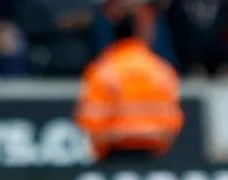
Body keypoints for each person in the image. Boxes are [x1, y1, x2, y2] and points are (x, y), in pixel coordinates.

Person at [74, 11, 183, 160]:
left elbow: (89, 120)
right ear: (141, 33)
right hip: (151, 156)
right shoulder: (161, 70)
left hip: (112, 156)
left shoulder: (103, 70)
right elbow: (172, 121)